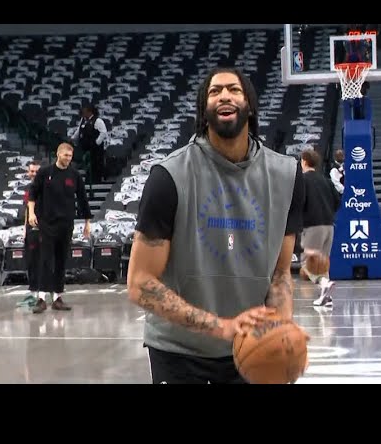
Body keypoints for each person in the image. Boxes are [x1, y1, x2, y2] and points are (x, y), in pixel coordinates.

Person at [127, 67, 308, 384]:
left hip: (248, 349)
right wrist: (221, 326)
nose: (224, 94)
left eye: (234, 89)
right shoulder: (168, 176)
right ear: (204, 110)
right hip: (178, 351)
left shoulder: (287, 176)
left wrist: (280, 332)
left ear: (250, 105)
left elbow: (279, 275)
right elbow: (140, 282)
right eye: (215, 91)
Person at [27, 142, 93, 314]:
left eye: (70, 156)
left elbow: (83, 198)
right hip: (47, 223)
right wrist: (32, 214)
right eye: (66, 155)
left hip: (66, 224)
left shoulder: (74, 175)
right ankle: (41, 298)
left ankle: (57, 297)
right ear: (58, 154)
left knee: (61, 260)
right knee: (46, 260)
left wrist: (87, 221)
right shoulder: (45, 173)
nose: (68, 159)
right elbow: (32, 193)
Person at [298, 148, 340, 308]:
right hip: (329, 225)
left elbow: (298, 202)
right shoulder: (326, 181)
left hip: (312, 226)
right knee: (323, 262)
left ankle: (323, 282)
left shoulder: (302, 180)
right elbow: (338, 201)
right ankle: (326, 297)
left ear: (304, 161)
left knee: (306, 262)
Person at [16, 160, 42, 308]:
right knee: (31, 261)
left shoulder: (46, 188)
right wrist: (24, 229)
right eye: (31, 171)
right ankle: (33, 293)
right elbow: (27, 210)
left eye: (36, 171)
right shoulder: (27, 189)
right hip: (30, 230)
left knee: (43, 261)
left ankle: (45, 294)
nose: (34, 174)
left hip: (43, 229)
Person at [74, 103, 107, 184]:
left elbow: (103, 133)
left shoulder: (98, 121)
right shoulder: (83, 120)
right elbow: (78, 131)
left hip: (96, 149)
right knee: (88, 165)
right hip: (86, 147)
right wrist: (73, 139)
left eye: (85, 111)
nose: (83, 113)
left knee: (96, 165)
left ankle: (96, 180)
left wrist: (97, 142)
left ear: (90, 112)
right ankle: (89, 180)